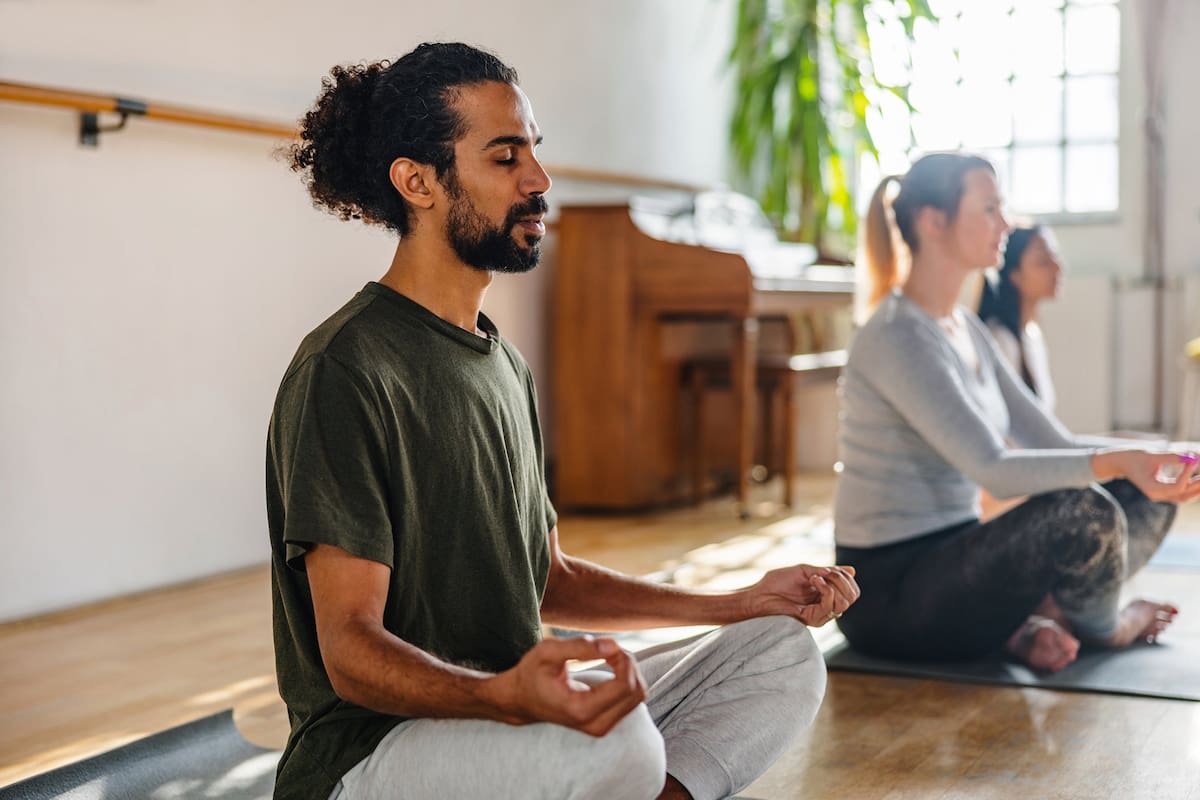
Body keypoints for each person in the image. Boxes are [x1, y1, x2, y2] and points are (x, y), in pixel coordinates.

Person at [266, 42, 860, 800]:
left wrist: (744, 600)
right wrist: (504, 698)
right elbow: (350, 651)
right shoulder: (346, 368)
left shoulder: (503, 364)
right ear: (417, 182)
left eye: (534, 154)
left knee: (780, 654)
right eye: (506, 157)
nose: (539, 182)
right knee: (619, 745)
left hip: (510, 716)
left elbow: (548, 578)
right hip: (372, 755)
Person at [835, 152, 1199, 675]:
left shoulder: (964, 327)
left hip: (959, 560)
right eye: (989, 209)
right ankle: (1106, 626)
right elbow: (994, 470)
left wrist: (1158, 455)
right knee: (1084, 510)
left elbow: (1052, 440)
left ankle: (1043, 619)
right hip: (890, 598)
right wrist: (1119, 460)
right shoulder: (897, 335)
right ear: (932, 222)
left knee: (1144, 481)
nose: (1005, 223)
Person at [977, 224, 1063, 410]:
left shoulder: (1032, 333)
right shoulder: (1001, 340)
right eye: (1043, 262)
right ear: (1014, 275)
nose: (1057, 267)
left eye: (1055, 256)